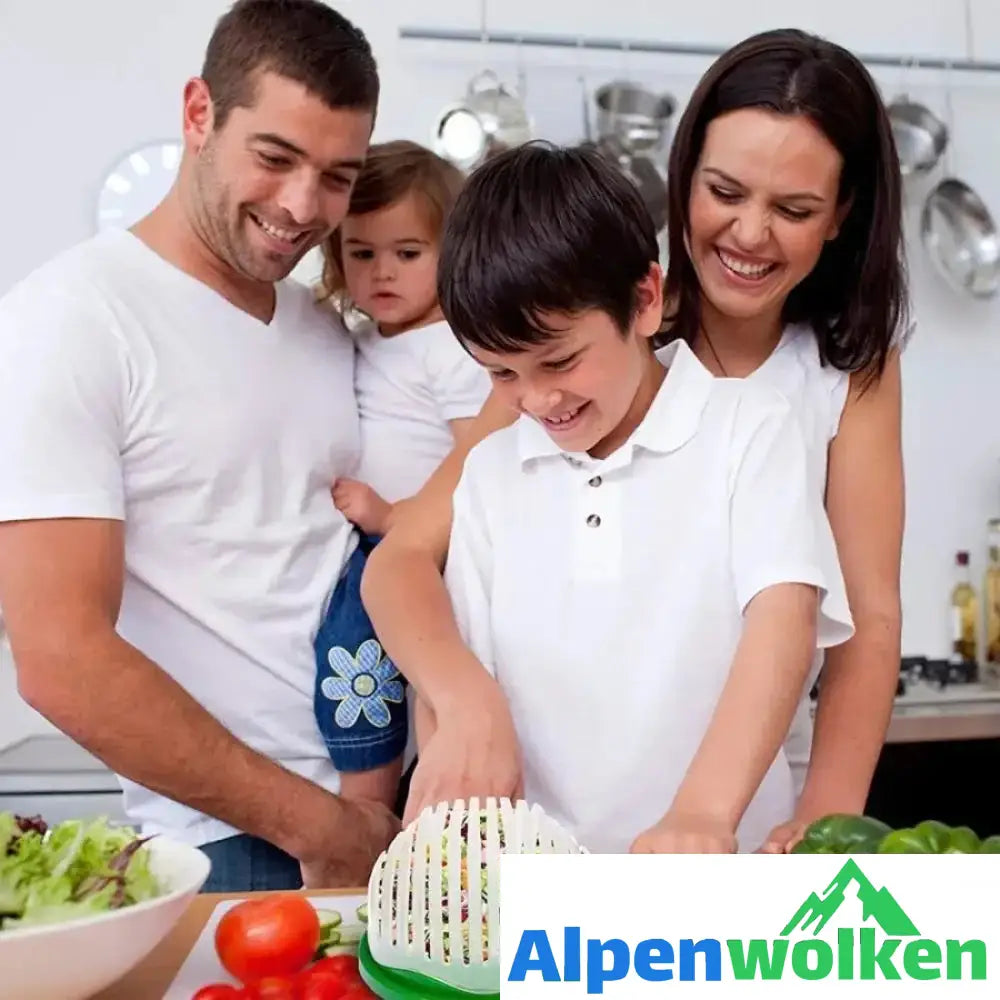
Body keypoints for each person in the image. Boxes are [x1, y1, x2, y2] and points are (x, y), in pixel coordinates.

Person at [361, 28, 907, 851]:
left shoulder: (805, 390)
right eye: (725, 191)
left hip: (725, 821)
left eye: (792, 209)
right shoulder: (567, 339)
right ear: (683, 179)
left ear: (840, 216)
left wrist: (821, 827)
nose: (750, 234)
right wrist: (462, 707)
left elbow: (850, 618)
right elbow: (408, 560)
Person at [0, 0, 400, 893]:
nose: (302, 206)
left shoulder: (326, 324)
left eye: (338, 176)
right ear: (197, 114)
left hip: (392, 816)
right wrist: (321, 826)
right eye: (274, 158)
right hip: (249, 844)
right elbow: (60, 655)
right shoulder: (69, 321)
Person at [427, 141, 853, 853]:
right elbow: (464, 677)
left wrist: (702, 814)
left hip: (716, 879)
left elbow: (784, 621)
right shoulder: (491, 474)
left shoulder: (749, 427)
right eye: (501, 373)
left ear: (645, 299)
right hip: (548, 901)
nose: (536, 399)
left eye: (559, 359)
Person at [309, 140, 490, 810]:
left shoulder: (451, 348)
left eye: (408, 254)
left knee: (354, 648)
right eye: (362, 254)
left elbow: (480, 456)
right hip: (380, 537)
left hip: (415, 541)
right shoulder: (366, 339)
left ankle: (367, 802)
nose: (383, 272)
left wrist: (395, 517)